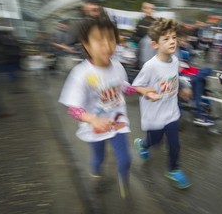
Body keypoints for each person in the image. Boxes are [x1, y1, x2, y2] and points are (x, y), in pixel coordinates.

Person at [58, 13, 154, 198]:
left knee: (125, 159)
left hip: (118, 121)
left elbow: (124, 88)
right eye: (99, 40)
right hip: (96, 127)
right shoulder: (81, 73)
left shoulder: (117, 66)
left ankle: (124, 182)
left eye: (111, 39)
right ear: (86, 45)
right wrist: (92, 119)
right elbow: (73, 108)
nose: (107, 45)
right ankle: (95, 171)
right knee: (98, 158)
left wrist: (141, 90)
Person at [132, 18, 192, 189]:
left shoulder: (175, 61)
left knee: (175, 144)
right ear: (155, 44)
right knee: (155, 141)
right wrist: (147, 92)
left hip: (171, 112)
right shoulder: (150, 66)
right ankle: (142, 144)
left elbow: (175, 78)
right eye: (166, 39)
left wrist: (183, 87)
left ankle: (173, 169)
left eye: (173, 37)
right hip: (154, 114)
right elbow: (136, 86)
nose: (172, 41)